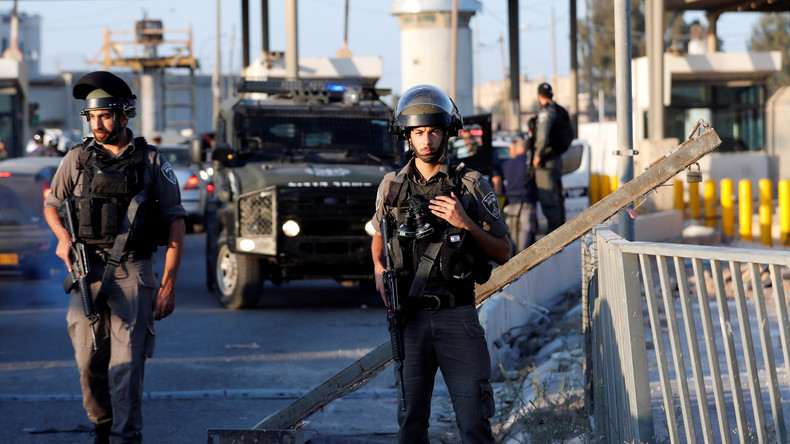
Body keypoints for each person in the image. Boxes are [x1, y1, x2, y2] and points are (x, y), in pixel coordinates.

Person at [43, 71, 187, 444]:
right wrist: (62, 239)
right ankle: (102, 424)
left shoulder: (152, 160)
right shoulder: (77, 158)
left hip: (133, 270)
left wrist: (168, 283)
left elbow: (175, 222)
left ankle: (125, 436)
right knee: (88, 361)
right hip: (86, 268)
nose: (98, 123)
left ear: (125, 115)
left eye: (106, 115)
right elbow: (52, 205)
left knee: (127, 365)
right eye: (92, 116)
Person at [371, 84, 511, 444]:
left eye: (434, 130)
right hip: (410, 319)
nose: (427, 140)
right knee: (410, 426)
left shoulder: (471, 185)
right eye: (419, 132)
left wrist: (464, 221)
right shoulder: (391, 187)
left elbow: (503, 251)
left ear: (447, 133)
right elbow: (378, 234)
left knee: (474, 424)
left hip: (457, 317)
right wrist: (377, 270)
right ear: (407, 136)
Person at [532, 82, 573, 233]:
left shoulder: (546, 112)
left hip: (546, 161)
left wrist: (537, 156)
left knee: (549, 198)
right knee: (558, 197)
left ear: (538, 96)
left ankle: (554, 237)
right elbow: (570, 134)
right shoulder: (560, 110)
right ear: (552, 95)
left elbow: (542, 136)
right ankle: (562, 233)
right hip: (557, 160)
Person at [500, 135, 538, 252]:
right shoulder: (531, 164)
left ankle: (512, 261)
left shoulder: (506, 164)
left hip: (511, 202)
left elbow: (500, 183)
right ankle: (524, 259)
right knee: (526, 232)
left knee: (513, 233)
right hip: (528, 201)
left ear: (516, 148)